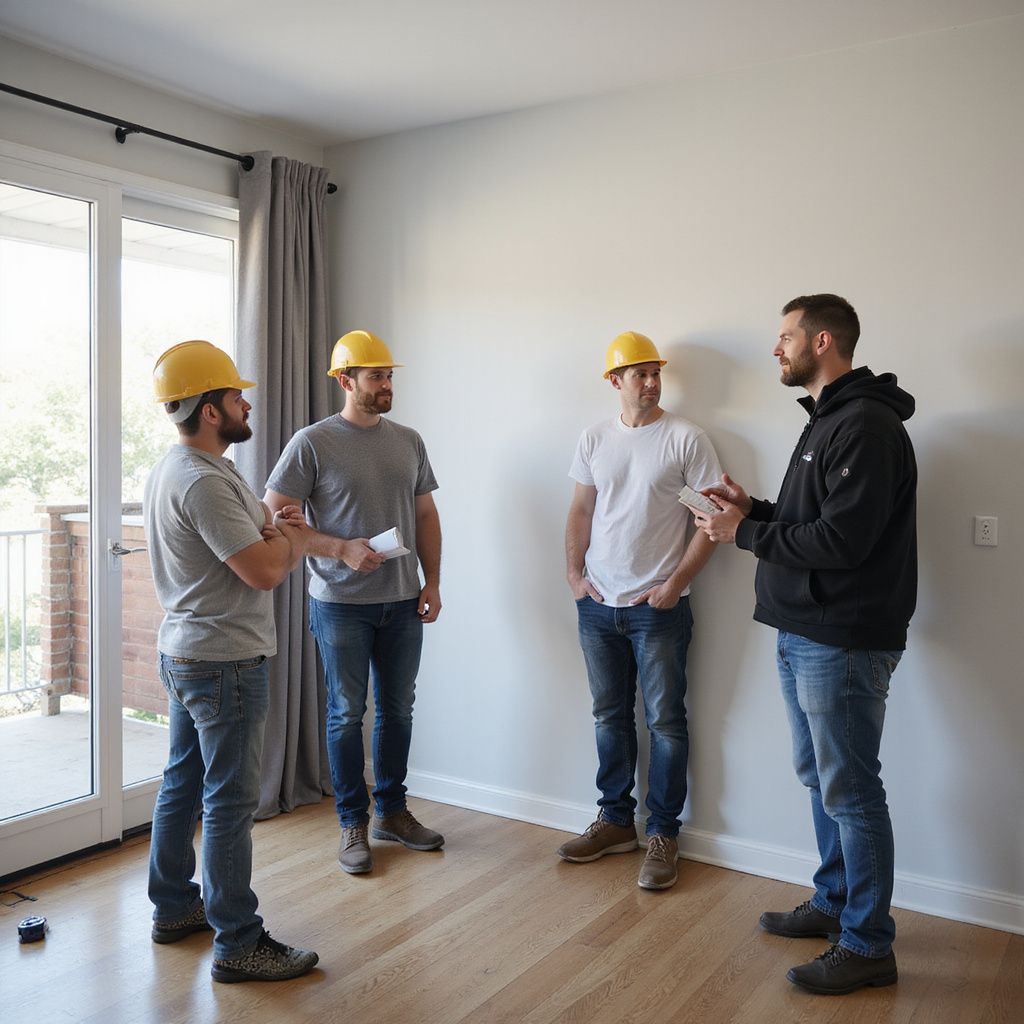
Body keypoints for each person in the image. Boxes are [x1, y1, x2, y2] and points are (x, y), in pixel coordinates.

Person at [692, 294, 917, 995]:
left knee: (851, 793)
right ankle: (833, 903)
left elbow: (843, 543)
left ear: (822, 341)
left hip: (843, 639)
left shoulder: (866, 426)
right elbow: (810, 519)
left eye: (784, 336)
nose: (775, 348)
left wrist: (745, 535)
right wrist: (751, 510)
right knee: (824, 781)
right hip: (804, 632)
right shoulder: (828, 420)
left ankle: (868, 944)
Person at [145, 340, 319, 983]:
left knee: (182, 785)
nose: (246, 403)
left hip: (190, 652)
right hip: (225, 662)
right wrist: (292, 538)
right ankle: (239, 942)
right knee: (228, 802)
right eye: (235, 395)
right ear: (211, 409)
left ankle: (173, 910)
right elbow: (266, 569)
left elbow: (259, 541)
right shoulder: (201, 480)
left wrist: (276, 530)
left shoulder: (188, 469)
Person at [264, 329, 443, 875]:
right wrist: (339, 548)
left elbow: (426, 516)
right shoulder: (312, 443)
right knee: (346, 715)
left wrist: (432, 581)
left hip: (402, 599)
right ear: (346, 381)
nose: (386, 384)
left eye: (389, 375)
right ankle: (351, 823)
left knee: (398, 711)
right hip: (340, 603)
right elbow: (276, 517)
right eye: (376, 376)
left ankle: (392, 811)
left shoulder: (408, 440)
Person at [560, 331, 722, 890]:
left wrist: (675, 585)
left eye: (656, 373)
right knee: (609, 718)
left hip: (658, 606)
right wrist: (575, 577)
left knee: (665, 722)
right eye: (640, 374)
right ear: (615, 381)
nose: (651, 383)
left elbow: (711, 522)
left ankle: (663, 834)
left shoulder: (685, 440)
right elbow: (581, 510)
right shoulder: (595, 438)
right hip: (599, 606)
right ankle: (614, 821)